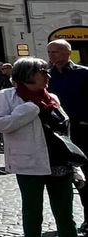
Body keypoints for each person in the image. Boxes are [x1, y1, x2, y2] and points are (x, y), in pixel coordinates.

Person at [0, 56, 84, 237]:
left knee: (65, 214)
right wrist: (30, 109)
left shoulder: (52, 98)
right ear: (26, 75)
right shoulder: (7, 96)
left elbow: (65, 133)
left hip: (60, 163)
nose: (47, 75)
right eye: (42, 72)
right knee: (32, 212)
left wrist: (75, 167)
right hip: (29, 164)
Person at [47, 39, 88, 234]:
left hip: (83, 132)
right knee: (63, 178)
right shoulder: (46, 76)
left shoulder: (83, 73)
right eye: (49, 52)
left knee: (87, 176)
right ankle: (66, 220)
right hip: (58, 135)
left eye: (55, 52)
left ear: (68, 53)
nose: (51, 56)